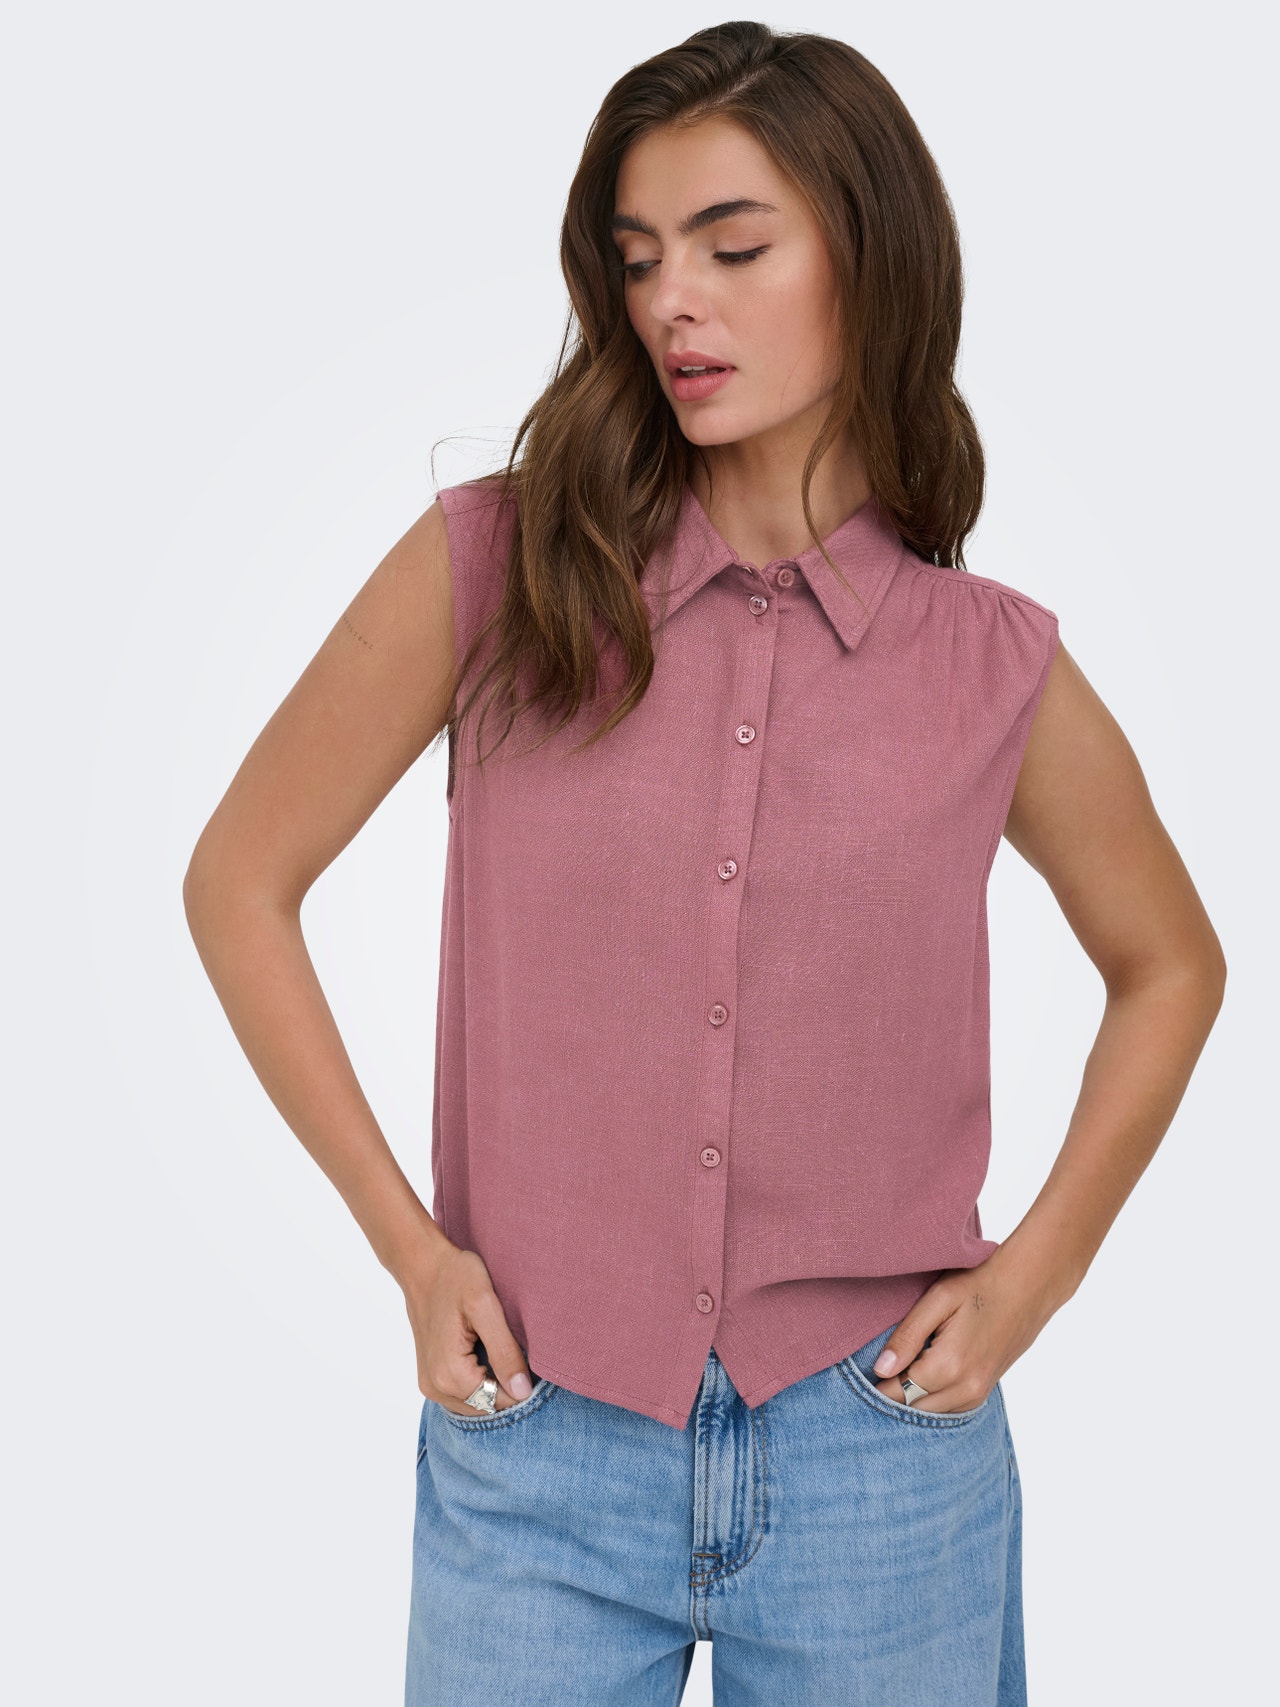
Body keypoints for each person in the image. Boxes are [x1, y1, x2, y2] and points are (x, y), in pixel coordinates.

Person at [183, 20, 1226, 1706]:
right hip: (538, 1437)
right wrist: (413, 1253)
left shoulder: (990, 665)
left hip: (879, 1453)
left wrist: (1031, 1283)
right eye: (641, 256)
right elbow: (240, 880)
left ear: (871, 259)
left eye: (734, 249)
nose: (675, 300)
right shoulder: (496, 571)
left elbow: (1171, 963)